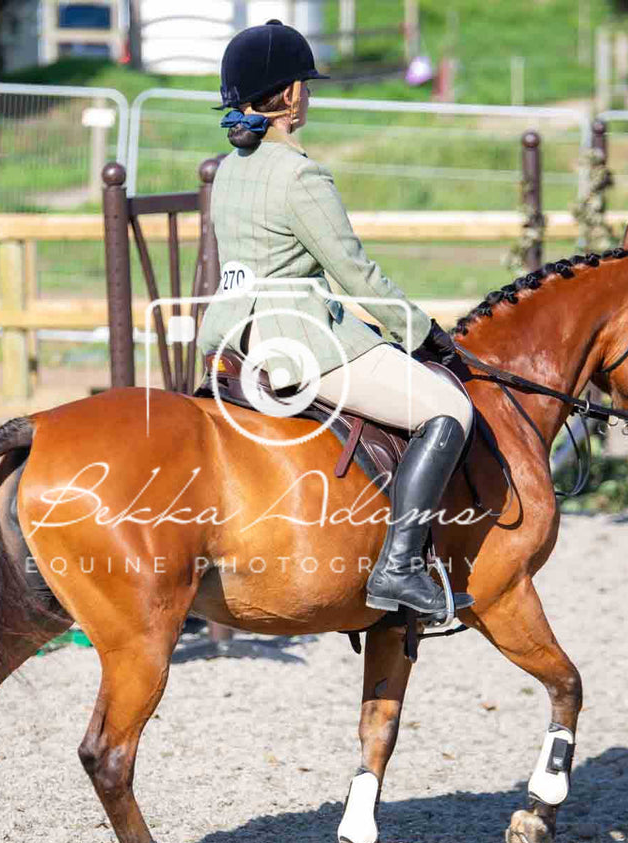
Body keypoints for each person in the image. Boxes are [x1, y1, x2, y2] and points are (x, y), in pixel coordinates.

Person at [197, 20, 474, 624]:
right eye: (306, 88)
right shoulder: (300, 175)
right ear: (292, 95)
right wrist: (421, 332)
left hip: (234, 341)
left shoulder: (230, 170)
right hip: (299, 343)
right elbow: (355, 274)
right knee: (449, 409)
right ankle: (399, 568)